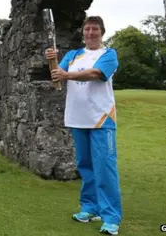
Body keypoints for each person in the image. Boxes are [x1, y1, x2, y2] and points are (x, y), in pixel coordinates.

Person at [45, 15, 122, 235]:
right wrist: (52, 60)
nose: (90, 33)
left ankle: (111, 218)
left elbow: (97, 74)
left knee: (105, 168)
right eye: (87, 29)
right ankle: (90, 208)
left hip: (101, 119)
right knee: (85, 166)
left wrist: (67, 73)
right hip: (77, 118)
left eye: (95, 29)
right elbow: (56, 79)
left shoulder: (108, 54)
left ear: (102, 32)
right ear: (83, 32)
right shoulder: (73, 55)